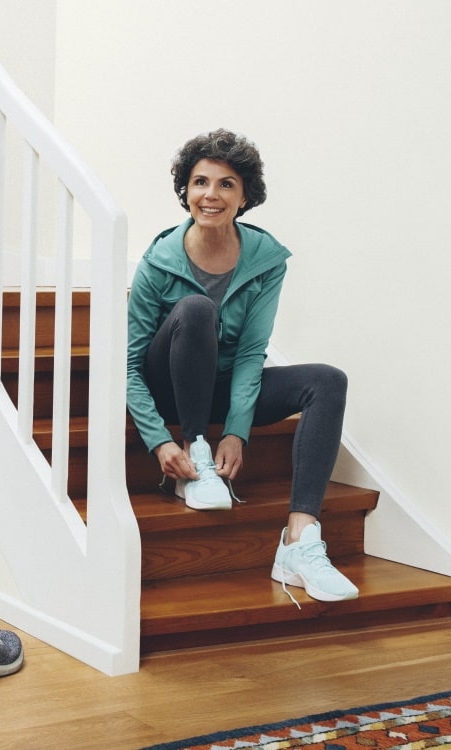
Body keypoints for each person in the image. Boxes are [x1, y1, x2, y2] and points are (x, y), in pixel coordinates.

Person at [126, 128, 358, 604]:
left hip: (225, 386)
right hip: (168, 384)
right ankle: (198, 455)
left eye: (226, 184)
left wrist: (237, 430)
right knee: (196, 309)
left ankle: (299, 540)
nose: (211, 195)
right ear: (185, 191)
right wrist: (159, 440)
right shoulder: (158, 260)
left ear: (245, 195)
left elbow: (253, 352)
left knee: (327, 381)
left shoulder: (265, 259)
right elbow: (128, 365)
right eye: (200, 182)